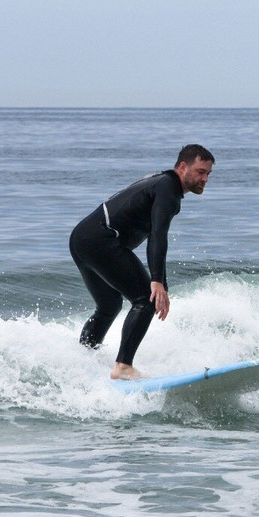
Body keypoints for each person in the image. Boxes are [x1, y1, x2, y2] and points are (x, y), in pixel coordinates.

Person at [69, 144, 214, 379]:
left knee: (109, 306)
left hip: (82, 239)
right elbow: (158, 235)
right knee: (145, 299)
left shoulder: (161, 183)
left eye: (208, 174)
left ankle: (83, 358)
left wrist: (162, 283)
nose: (205, 179)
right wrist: (156, 281)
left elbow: (156, 237)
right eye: (200, 172)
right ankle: (123, 366)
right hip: (100, 239)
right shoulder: (168, 189)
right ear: (182, 167)